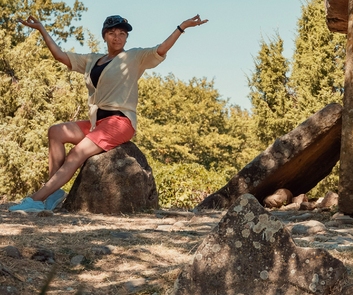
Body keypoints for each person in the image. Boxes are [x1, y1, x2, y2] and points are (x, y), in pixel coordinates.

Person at [9, 13, 208, 212]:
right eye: (112, 33)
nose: (117, 37)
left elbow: (161, 49)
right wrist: (42, 29)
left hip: (119, 121)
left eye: (122, 33)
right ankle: (53, 195)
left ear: (127, 37)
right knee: (56, 132)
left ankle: (36, 199)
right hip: (97, 122)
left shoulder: (134, 57)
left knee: (76, 154)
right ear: (104, 35)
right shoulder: (92, 60)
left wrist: (181, 27)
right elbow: (60, 56)